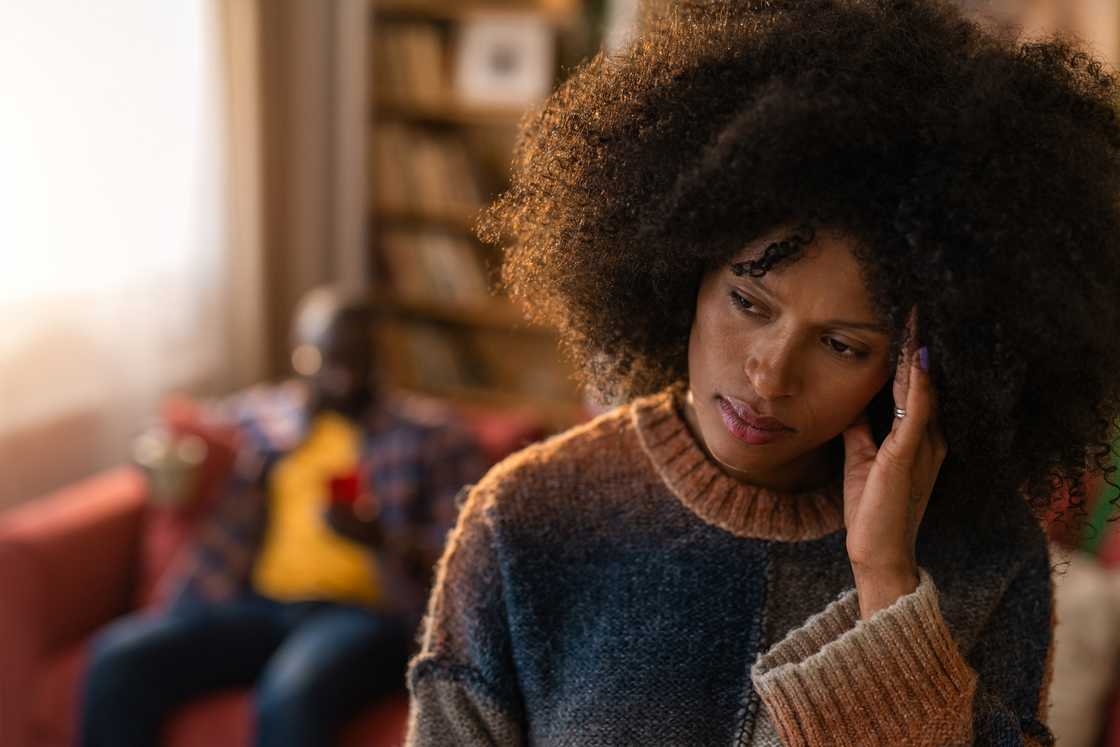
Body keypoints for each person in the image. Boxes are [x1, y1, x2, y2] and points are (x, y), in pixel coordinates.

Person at [404, 1, 1120, 744]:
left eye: (843, 344)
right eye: (748, 300)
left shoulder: (987, 553)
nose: (770, 374)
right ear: (686, 263)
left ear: (923, 360)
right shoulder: (528, 520)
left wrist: (888, 585)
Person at [79, 287, 489, 746]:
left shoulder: (431, 438)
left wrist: (379, 539)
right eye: (330, 360)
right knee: (117, 659)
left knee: (291, 694)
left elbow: (467, 564)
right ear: (301, 356)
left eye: (359, 361)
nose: (344, 378)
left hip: (364, 616)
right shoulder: (268, 417)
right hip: (260, 606)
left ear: (381, 361)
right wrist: (156, 457)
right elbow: (175, 437)